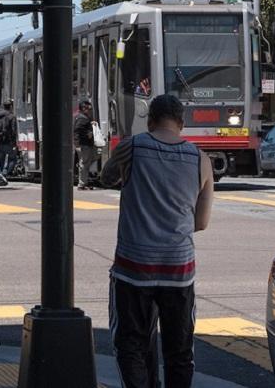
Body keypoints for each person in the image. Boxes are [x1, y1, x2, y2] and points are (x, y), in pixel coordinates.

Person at [100, 94, 213, 388]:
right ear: (182, 123)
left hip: (133, 269)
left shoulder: (132, 147)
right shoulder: (200, 159)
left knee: (131, 345)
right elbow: (200, 222)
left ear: (149, 120)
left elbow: (106, 177)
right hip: (178, 269)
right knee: (179, 352)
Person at [0, 99, 17, 187]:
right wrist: (14, 143)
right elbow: (13, 131)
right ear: (10, 107)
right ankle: (4, 174)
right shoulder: (11, 116)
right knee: (13, 158)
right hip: (8, 141)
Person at [73, 100, 96, 190]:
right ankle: (82, 184)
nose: (90, 111)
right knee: (84, 163)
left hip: (84, 144)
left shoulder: (81, 117)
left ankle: (84, 182)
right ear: (83, 109)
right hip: (84, 145)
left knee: (85, 163)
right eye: (88, 109)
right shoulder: (82, 118)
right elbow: (77, 131)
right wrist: (78, 144)